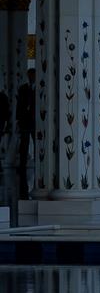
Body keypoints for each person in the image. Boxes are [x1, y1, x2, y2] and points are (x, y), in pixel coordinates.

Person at [16, 69, 36, 202]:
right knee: (24, 143)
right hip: (25, 121)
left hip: (35, 121)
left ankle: (39, 164)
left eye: (32, 75)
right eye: (29, 75)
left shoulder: (40, 87)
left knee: (37, 143)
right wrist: (18, 119)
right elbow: (19, 105)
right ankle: (22, 165)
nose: (30, 77)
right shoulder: (23, 88)